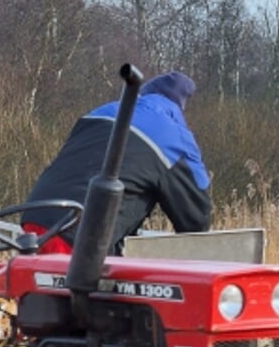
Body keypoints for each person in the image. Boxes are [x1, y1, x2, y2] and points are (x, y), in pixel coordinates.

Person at [23, 70, 212, 253]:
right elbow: (196, 219)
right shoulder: (176, 137)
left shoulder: (98, 112)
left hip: (35, 219)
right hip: (81, 236)